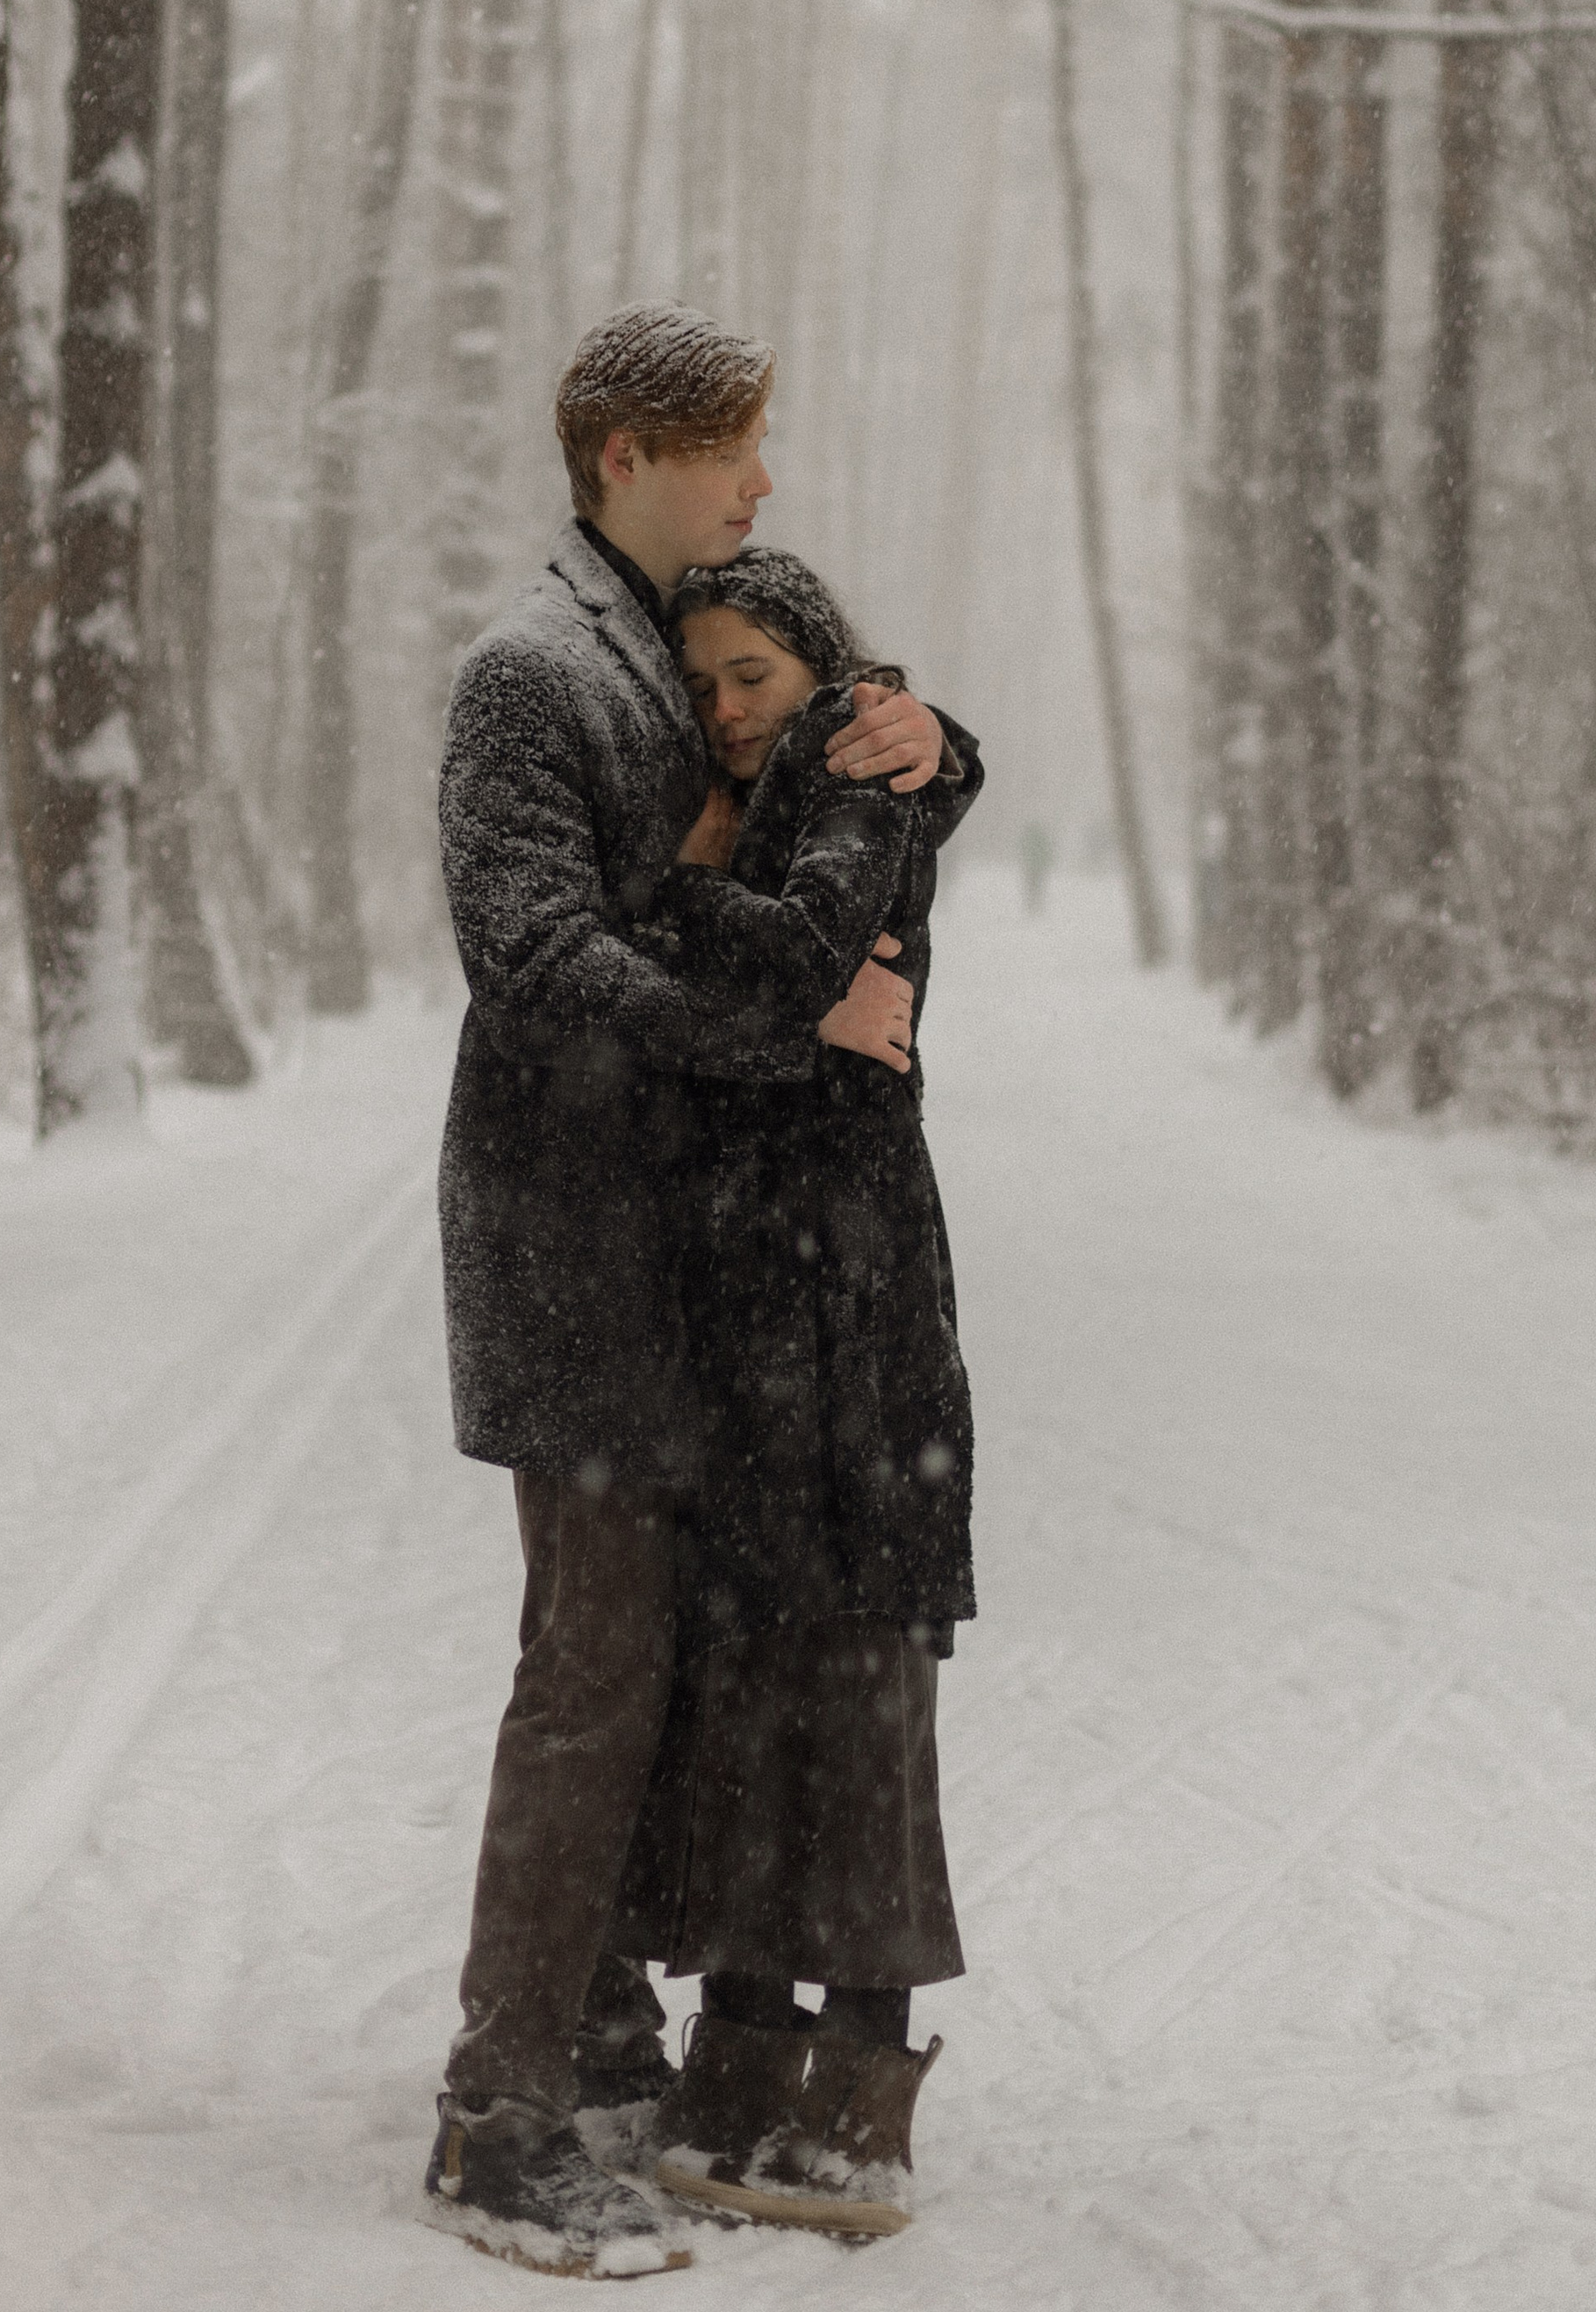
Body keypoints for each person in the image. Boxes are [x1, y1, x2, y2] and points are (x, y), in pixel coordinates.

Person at [421, 307, 979, 2281]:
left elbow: (810, 749)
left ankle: (589, 2045)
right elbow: (538, 956)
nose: (757, 483)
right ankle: (497, 2119)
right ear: (625, 455)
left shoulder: (658, 655)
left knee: (656, 1662)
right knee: (591, 1676)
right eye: (731, 450)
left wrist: (926, 738)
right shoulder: (530, 673)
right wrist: (794, 1024)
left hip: (682, 1269)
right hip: (569, 1253)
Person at [595, 550, 978, 2242]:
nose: (728, 708)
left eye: (753, 672)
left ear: (821, 669)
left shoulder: (852, 761)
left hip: (859, 1299)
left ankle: (862, 2106)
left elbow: (817, 937)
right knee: (758, 1669)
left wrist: (658, 887)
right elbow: (784, 977)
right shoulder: (814, 772)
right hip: (752, 1308)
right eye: (706, 684)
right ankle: (742, 2060)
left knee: (866, 1674)